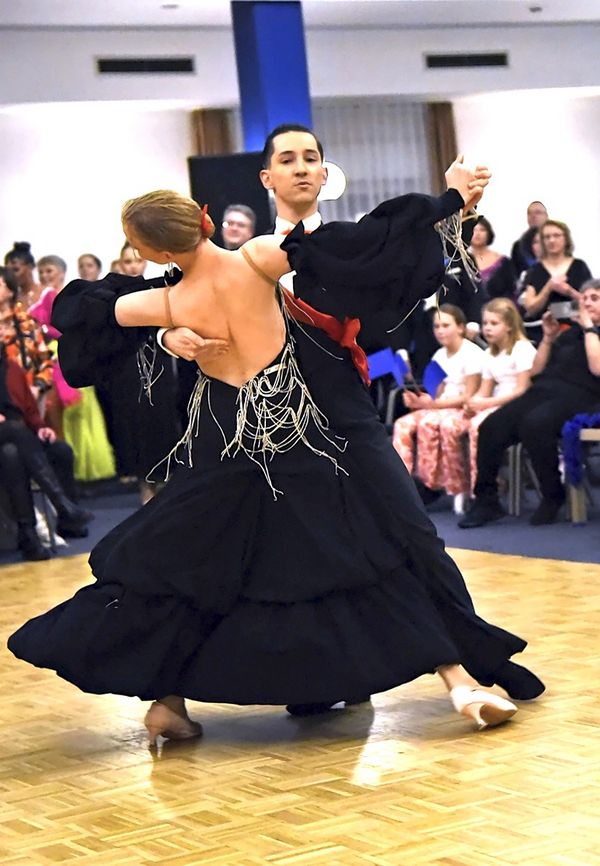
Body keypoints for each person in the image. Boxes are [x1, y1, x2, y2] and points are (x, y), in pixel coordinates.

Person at [8, 161, 547, 744]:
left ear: (148, 250)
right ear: (204, 220)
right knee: (374, 557)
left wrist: (165, 332)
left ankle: (167, 701)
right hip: (302, 443)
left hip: (230, 457)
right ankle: (459, 682)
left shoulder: (167, 302)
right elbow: (362, 244)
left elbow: (80, 312)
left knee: (191, 575)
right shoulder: (256, 258)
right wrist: (445, 201)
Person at [158, 124, 543, 715]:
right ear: (268, 178)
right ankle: (266, 684)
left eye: (311, 157)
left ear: (325, 171)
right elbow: (169, 303)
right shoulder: (247, 256)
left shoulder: (352, 243)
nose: (302, 168)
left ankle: (466, 672)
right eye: (287, 160)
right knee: (267, 552)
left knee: (409, 530)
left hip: (342, 406)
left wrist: (456, 210)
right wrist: (170, 334)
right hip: (268, 421)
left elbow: (401, 280)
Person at [459, 280, 600, 528]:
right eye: (585, 298)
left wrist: (590, 328)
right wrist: (547, 338)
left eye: (594, 299)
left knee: (536, 424)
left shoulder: (590, 332)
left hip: (583, 396)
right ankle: (487, 500)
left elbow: (596, 368)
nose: (586, 303)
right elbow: (536, 371)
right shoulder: (571, 333)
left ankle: (552, 495)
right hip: (545, 388)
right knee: (491, 426)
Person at [0, 345, 92, 560]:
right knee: (15, 435)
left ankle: (40, 533)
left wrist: (41, 427)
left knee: (58, 450)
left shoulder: (12, 368)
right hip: (12, 432)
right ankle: (63, 506)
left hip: (17, 438)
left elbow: (30, 410)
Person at [392, 305, 483, 509]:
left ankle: (454, 486)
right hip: (441, 406)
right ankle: (403, 485)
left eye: (445, 325)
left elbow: (469, 395)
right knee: (402, 425)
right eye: (436, 326)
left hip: (463, 409)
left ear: (460, 327)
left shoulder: (473, 354)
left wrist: (432, 404)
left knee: (433, 423)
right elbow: (436, 393)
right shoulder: (439, 355)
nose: (440, 331)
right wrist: (418, 400)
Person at [461, 298, 536, 498]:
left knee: (478, 425)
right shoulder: (489, 354)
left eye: (494, 324)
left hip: (520, 406)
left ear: (510, 325)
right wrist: (473, 403)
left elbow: (523, 390)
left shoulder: (523, 349)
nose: (487, 328)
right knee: (462, 420)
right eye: (485, 323)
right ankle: (466, 484)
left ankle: (488, 487)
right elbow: (484, 391)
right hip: (497, 403)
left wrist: (485, 403)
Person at [521, 219, 591, 345]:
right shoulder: (535, 270)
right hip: (541, 332)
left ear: (566, 239)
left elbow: (590, 302)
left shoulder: (579, 266)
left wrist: (569, 291)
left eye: (556, 235)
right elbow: (530, 308)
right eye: (547, 237)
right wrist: (549, 287)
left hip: (576, 330)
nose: (552, 240)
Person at [469, 216, 516, 302]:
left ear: (489, 233)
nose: (477, 233)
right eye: (474, 229)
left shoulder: (503, 262)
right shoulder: (460, 262)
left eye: (482, 230)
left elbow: (512, 291)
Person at [510, 201, 548, 275]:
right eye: (529, 213)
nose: (533, 216)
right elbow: (515, 276)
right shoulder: (518, 246)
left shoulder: (556, 242)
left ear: (546, 216)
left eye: (538, 212)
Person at [4, 242, 43, 309]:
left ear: (30, 267)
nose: (11, 275)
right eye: (8, 271)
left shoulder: (47, 295)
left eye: (15, 270)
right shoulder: (11, 298)